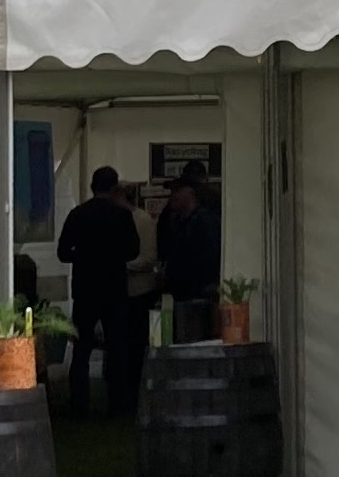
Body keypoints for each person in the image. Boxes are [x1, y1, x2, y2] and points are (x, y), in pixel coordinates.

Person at [56, 166, 143, 417]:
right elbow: (133, 251)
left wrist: (83, 256)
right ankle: (118, 404)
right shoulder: (123, 216)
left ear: (93, 186)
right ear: (115, 187)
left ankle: (79, 403)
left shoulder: (78, 214)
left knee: (82, 348)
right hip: (114, 287)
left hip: (85, 287)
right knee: (117, 346)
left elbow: (63, 252)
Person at [157, 165, 222, 338]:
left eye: (177, 191)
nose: (172, 196)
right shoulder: (176, 220)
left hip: (199, 295)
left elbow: (207, 258)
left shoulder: (203, 221)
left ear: (190, 193)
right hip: (183, 295)